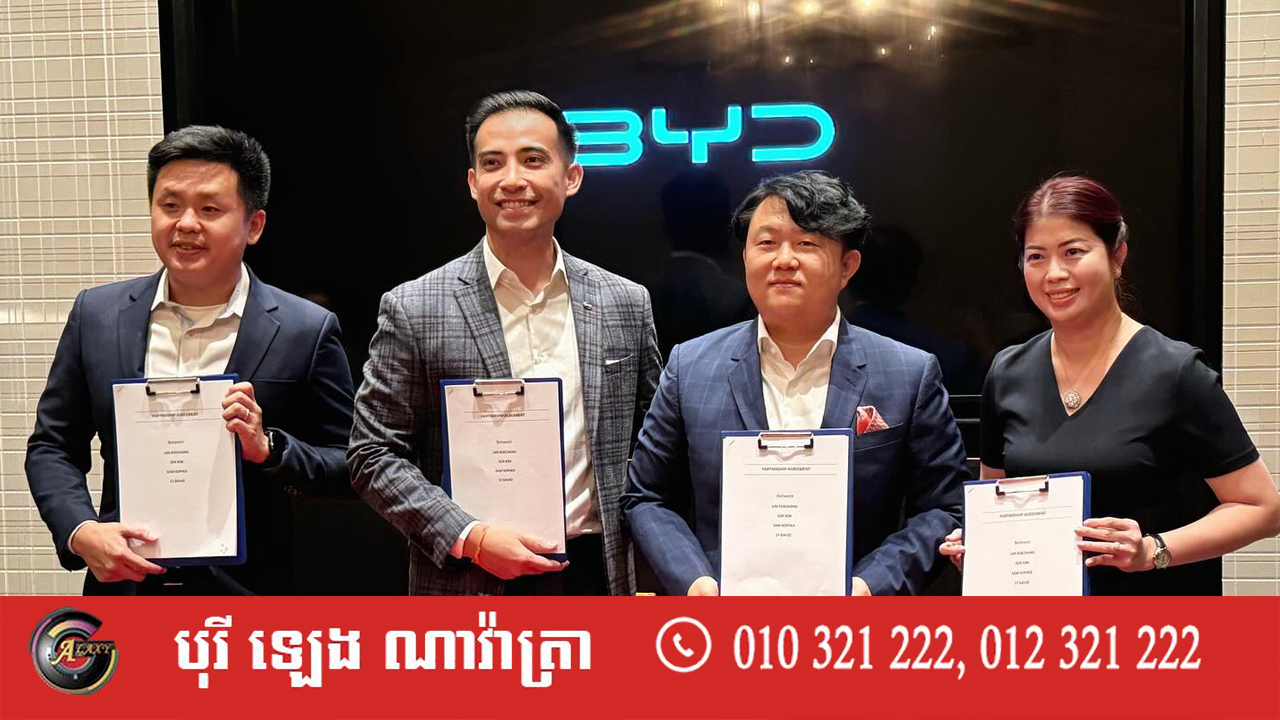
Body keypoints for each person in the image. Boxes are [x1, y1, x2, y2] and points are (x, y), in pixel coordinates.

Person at [348, 90, 661, 596]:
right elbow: (372, 453)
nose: (512, 180)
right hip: (467, 574)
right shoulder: (414, 307)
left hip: (595, 575)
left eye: (533, 160)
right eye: (493, 163)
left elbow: (652, 448)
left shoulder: (624, 302)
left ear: (571, 177)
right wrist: (470, 536)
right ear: (473, 183)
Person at [25, 125, 356, 595]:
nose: (185, 224)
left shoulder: (305, 329)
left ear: (254, 225)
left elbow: (352, 466)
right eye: (170, 205)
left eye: (209, 209)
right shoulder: (96, 316)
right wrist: (81, 531)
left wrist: (269, 448)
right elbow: (52, 446)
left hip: (247, 598)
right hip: (125, 592)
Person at [621, 170, 967, 596]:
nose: (783, 260)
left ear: (847, 267)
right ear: (745, 257)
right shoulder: (689, 366)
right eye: (767, 243)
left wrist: (869, 587)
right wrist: (695, 582)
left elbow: (943, 507)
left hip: (852, 622)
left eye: (806, 244)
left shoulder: (909, 372)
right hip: (722, 615)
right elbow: (646, 496)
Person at [940, 174, 1280, 594]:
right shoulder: (1008, 371)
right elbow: (998, 498)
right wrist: (982, 544)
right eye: (1036, 257)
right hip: (1040, 623)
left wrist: (1152, 550)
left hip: (1150, 622)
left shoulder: (1176, 371)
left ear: (1117, 255)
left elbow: (1261, 508)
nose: (1054, 273)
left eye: (1073, 252)